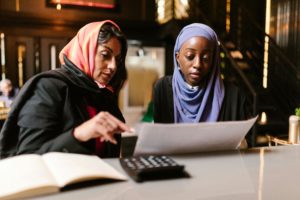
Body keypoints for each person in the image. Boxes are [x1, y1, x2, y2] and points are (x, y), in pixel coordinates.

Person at [0, 20, 132, 159]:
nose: (113, 66)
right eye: (105, 55)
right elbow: (28, 156)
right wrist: (79, 134)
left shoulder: (103, 96)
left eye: (117, 59)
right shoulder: (48, 87)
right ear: (85, 50)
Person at [153, 23, 252, 146]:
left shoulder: (234, 96)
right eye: (190, 56)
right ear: (177, 57)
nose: (197, 64)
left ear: (213, 61)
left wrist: (242, 144)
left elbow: (246, 145)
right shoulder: (163, 89)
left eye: (205, 58)